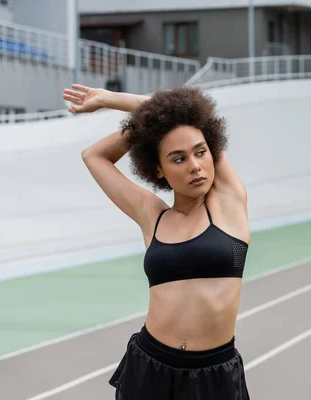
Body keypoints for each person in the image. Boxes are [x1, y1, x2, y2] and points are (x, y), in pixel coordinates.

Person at [62, 83, 251, 399]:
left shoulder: (229, 203)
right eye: (177, 159)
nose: (194, 165)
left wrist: (114, 100)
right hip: (150, 366)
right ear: (158, 169)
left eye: (200, 152)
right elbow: (94, 155)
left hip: (213, 373)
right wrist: (148, 125)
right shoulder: (153, 215)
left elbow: (185, 117)